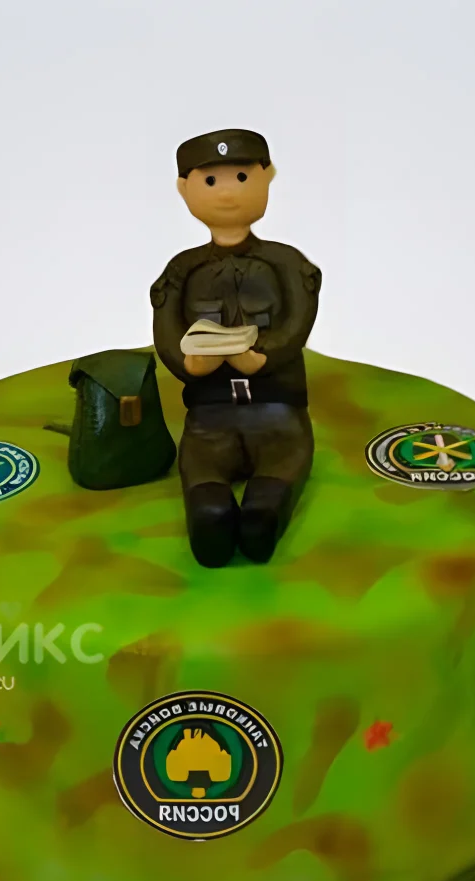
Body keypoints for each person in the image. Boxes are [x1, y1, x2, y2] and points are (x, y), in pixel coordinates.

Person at [151, 128, 321, 567]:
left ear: (268, 177)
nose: (227, 193)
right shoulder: (181, 271)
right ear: (184, 190)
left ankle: (266, 512)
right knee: (204, 483)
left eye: (242, 178)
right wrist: (190, 363)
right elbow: (167, 330)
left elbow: (298, 321)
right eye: (210, 181)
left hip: (279, 412)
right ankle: (208, 517)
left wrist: (263, 356)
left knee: (275, 481)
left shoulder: (288, 264)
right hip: (208, 418)